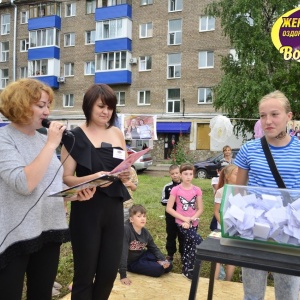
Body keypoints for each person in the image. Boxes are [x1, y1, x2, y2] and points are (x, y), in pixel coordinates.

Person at [0, 78, 94, 300]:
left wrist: (74, 193)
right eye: (40, 105)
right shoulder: (4, 139)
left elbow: (49, 181)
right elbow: (24, 184)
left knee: (42, 293)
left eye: (48, 105)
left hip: (49, 227)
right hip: (16, 232)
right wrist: (52, 143)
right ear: (21, 105)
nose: (47, 111)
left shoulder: (43, 141)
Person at [61, 83, 131, 300]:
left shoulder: (117, 133)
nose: (106, 112)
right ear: (88, 106)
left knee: (108, 272)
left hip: (114, 210)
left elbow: (125, 166)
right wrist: (93, 178)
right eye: (101, 106)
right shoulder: (73, 136)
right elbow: (66, 178)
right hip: (87, 209)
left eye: (110, 107)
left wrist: (126, 175)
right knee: (85, 274)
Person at [234, 90, 300, 300]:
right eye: (263, 115)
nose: (268, 121)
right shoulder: (249, 150)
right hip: (254, 232)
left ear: (289, 116)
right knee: (252, 295)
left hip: (290, 235)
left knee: (287, 295)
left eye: (274, 114)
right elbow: (238, 192)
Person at [166, 163, 204, 280]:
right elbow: (169, 208)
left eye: (190, 174)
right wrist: (184, 219)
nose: (188, 176)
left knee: (188, 245)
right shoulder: (176, 189)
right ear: (181, 175)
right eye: (185, 174)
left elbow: (200, 208)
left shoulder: (197, 190)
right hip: (181, 223)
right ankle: (190, 267)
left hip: (193, 222)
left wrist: (192, 219)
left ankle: (186, 269)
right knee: (198, 241)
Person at [119, 204, 172, 285]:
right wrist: (123, 275)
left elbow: (153, 248)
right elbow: (123, 252)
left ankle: (158, 264)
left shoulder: (145, 232)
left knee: (169, 265)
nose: (142, 218)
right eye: (139, 216)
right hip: (131, 262)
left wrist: (163, 260)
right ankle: (155, 265)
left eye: (144, 216)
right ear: (131, 219)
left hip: (142, 255)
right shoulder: (126, 230)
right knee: (158, 270)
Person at [213, 164, 237, 281]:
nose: (239, 177)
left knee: (231, 256)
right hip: (221, 228)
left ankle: (228, 281)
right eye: (236, 174)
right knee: (218, 255)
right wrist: (223, 225)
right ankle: (216, 281)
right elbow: (216, 212)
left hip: (235, 229)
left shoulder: (241, 191)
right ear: (227, 176)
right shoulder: (221, 192)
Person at [161, 164, 184, 261]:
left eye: (176, 173)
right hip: (170, 216)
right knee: (171, 235)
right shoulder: (167, 187)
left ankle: (184, 254)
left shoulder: (185, 186)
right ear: (170, 175)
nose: (175, 175)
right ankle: (170, 254)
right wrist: (173, 200)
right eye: (172, 174)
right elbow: (163, 201)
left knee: (182, 235)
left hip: (183, 216)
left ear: (180, 173)